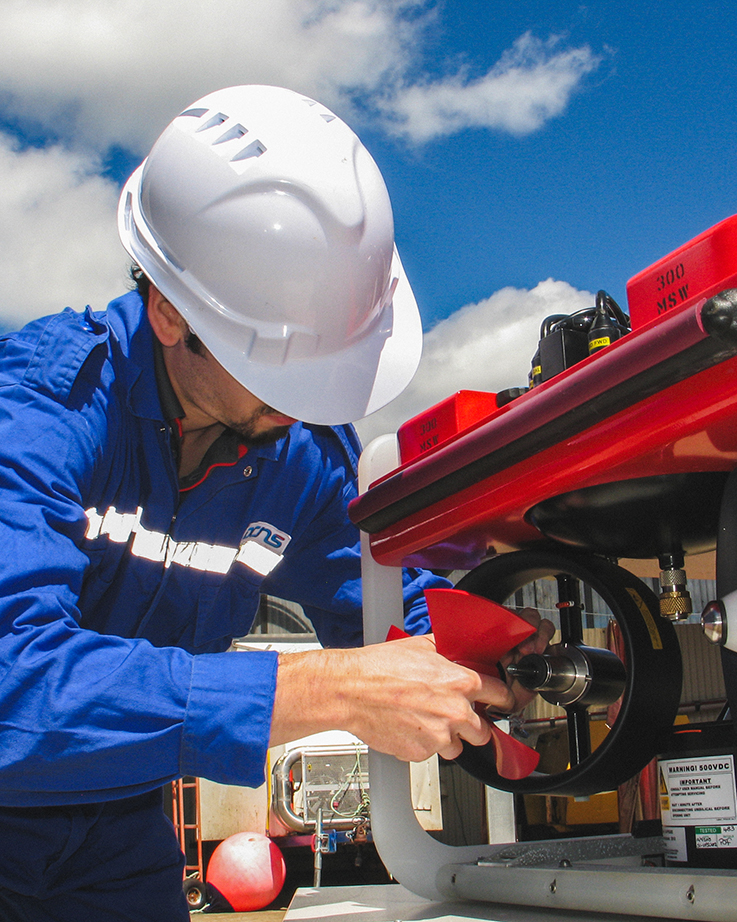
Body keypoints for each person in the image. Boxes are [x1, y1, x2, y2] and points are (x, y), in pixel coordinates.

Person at [0, 85, 553, 921]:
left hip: (112, 831)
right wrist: (323, 692)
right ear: (169, 311)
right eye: (279, 372)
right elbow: (16, 681)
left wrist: (481, 646)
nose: (301, 406)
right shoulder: (38, 411)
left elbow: (385, 612)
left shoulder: (296, 458)